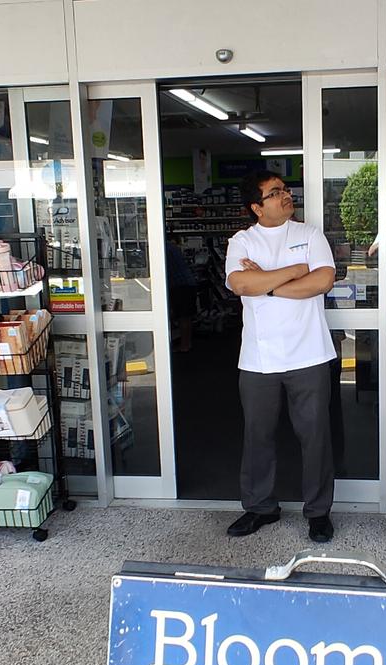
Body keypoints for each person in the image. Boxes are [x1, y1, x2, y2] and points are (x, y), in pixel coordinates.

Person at [224, 170, 337, 543]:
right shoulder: (242, 241)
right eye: (274, 193)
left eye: (285, 190)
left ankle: (318, 512)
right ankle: (260, 508)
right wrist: (293, 273)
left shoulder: (308, 234)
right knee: (258, 437)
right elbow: (240, 284)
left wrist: (267, 286)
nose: (285, 196)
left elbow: (321, 281)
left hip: (310, 354)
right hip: (258, 359)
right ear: (256, 207)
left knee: (315, 436)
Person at [165, 239, 197, 353]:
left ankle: (185, 345)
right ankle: (186, 343)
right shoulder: (171, 246)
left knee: (183, 316)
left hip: (180, 285)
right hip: (185, 283)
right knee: (185, 316)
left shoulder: (164, 249)